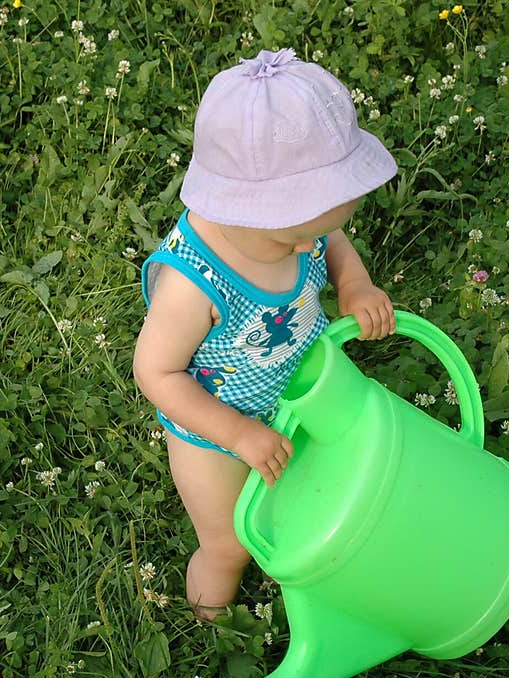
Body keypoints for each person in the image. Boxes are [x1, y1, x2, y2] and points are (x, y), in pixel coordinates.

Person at [133, 48, 398, 620]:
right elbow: (155, 372)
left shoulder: (297, 228)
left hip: (295, 396)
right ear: (235, 207)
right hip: (214, 432)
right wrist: (237, 433)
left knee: (311, 495)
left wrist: (353, 283)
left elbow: (330, 243)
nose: (312, 249)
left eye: (322, 232)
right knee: (230, 544)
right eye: (296, 240)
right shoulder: (194, 283)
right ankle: (210, 632)